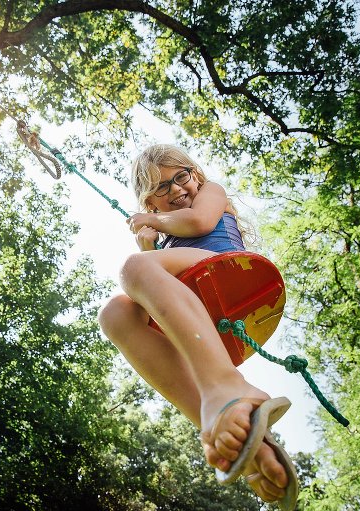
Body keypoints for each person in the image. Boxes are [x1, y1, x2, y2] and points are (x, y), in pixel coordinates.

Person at [98, 144, 297, 508]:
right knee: (115, 313)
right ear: (150, 201)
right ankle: (238, 438)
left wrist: (152, 230)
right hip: (203, 322)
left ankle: (225, 389)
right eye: (162, 188)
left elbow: (201, 223)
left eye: (181, 177)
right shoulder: (159, 234)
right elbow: (160, 297)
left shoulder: (211, 192)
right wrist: (149, 248)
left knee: (134, 270)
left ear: (196, 175)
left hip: (232, 271)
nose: (176, 189)